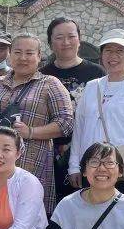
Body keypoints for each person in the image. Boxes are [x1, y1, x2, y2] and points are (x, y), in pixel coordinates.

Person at [0, 33, 73, 214]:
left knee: (27, 218)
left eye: (29, 53)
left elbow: (66, 123)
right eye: (17, 52)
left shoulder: (50, 84)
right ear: (10, 54)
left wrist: (31, 132)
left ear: (39, 56)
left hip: (32, 164)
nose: (23, 58)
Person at [69, 29, 124, 203]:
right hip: (92, 168)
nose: (113, 56)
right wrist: (74, 165)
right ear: (101, 55)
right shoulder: (92, 87)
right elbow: (79, 127)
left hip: (122, 170)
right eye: (108, 50)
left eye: (120, 51)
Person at [42, 17, 105, 204]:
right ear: (50, 43)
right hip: (49, 152)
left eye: (71, 36)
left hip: (87, 150)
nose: (66, 42)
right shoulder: (42, 75)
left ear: (79, 39)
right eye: (59, 37)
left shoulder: (98, 74)